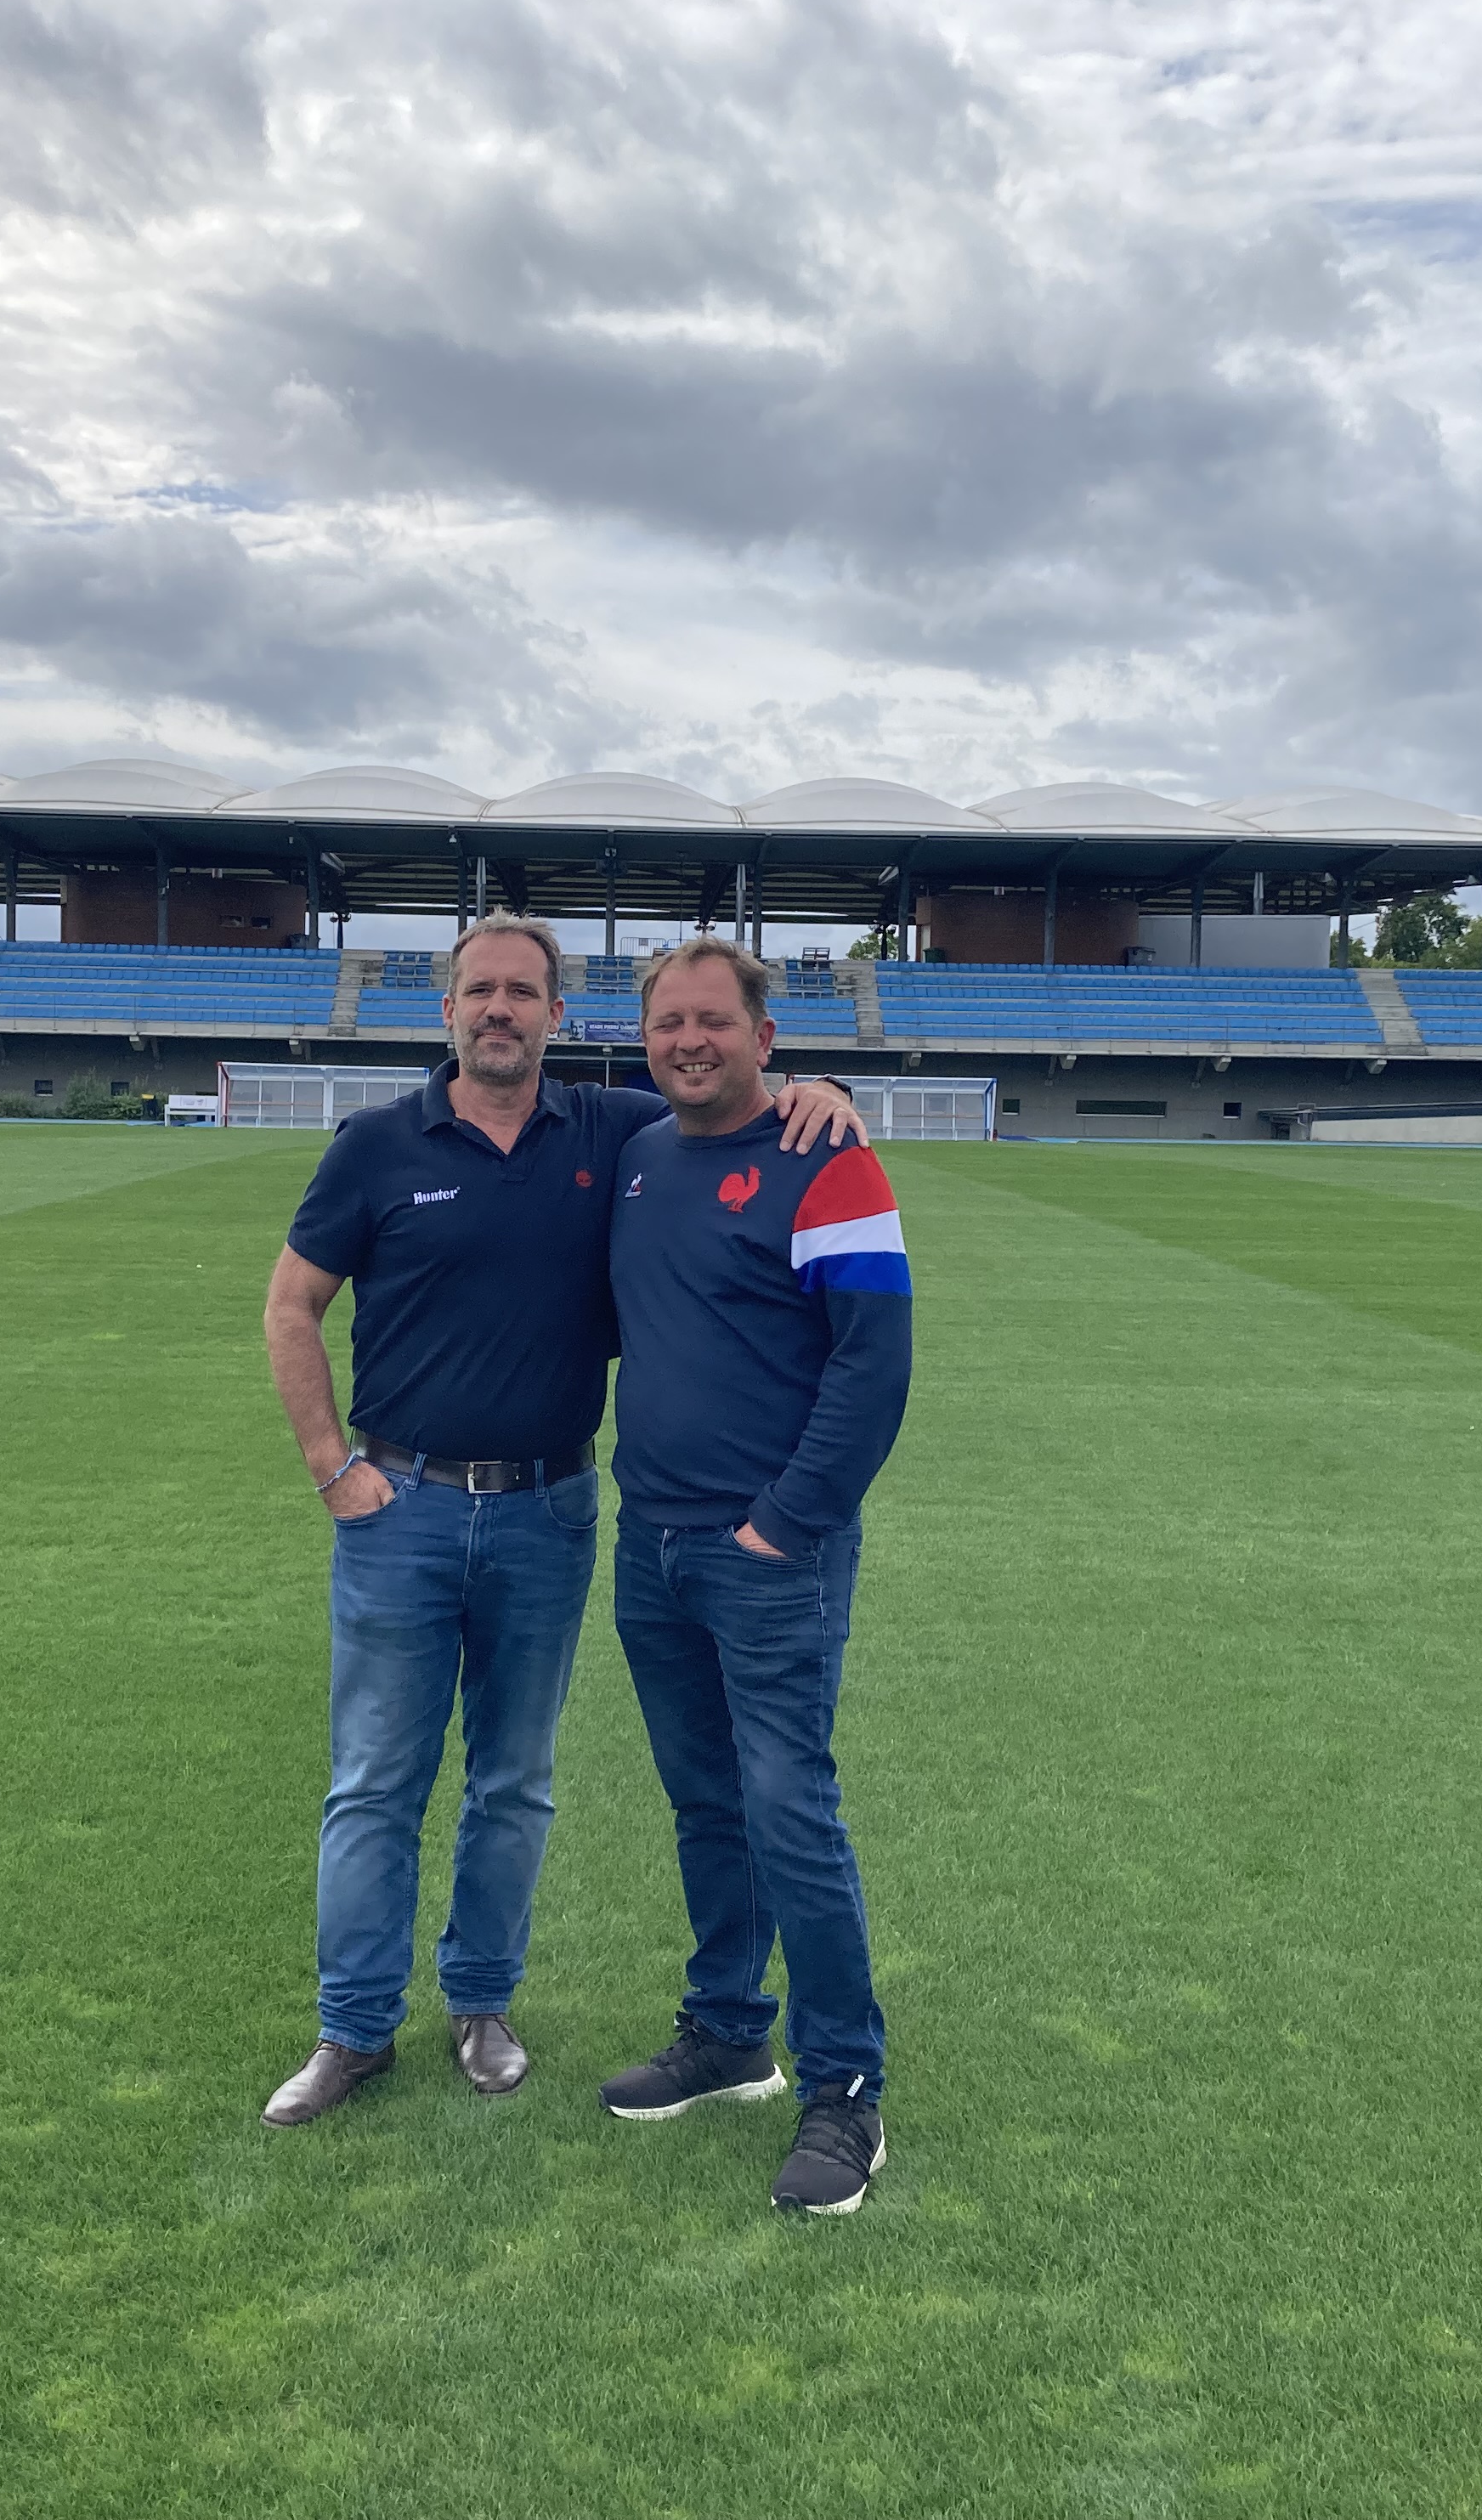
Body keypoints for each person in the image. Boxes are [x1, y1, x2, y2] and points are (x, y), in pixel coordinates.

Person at [257, 912, 868, 2128]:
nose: (499, 1010)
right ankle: (355, 2029)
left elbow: (726, 1096)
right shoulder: (376, 1145)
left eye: (522, 993)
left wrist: (815, 1085)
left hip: (548, 1510)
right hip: (402, 1509)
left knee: (514, 1780)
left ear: (555, 1014)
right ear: (448, 1012)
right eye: (479, 990)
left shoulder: (614, 1131)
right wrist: (332, 1469)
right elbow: (290, 1305)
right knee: (378, 1778)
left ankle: (482, 2004)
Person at [592, 936, 912, 2213]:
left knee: (789, 1810)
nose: (688, 1041)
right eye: (667, 1022)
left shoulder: (825, 1156)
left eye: (714, 1021)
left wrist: (786, 1522)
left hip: (771, 1552)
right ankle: (730, 2032)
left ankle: (845, 2089)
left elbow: (873, 1367)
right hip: (649, 1543)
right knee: (707, 1805)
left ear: (763, 1037)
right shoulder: (634, 1155)